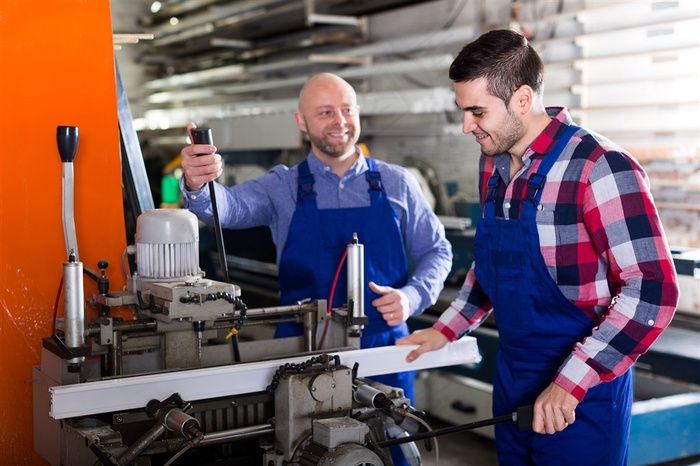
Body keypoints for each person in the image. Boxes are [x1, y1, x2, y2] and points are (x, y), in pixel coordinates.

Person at [398, 29, 679, 465]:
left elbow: (653, 289)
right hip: (513, 380)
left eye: (477, 111)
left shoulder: (599, 166)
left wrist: (571, 382)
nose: (466, 126)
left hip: (582, 395)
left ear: (523, 100)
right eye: (463, 111)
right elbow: (493, 264)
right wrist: (446, 328)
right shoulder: (491, 163)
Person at [179, 71, 452, 405]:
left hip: (384, 350)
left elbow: (437, 251)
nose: (340, 121)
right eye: (325, 112)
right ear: (302, 122)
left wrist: (412, 297)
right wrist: (197, 183)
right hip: (304, 347)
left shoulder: (398, 183)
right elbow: (227, 207)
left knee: (392, 445)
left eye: (348, 109)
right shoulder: (282, 186)